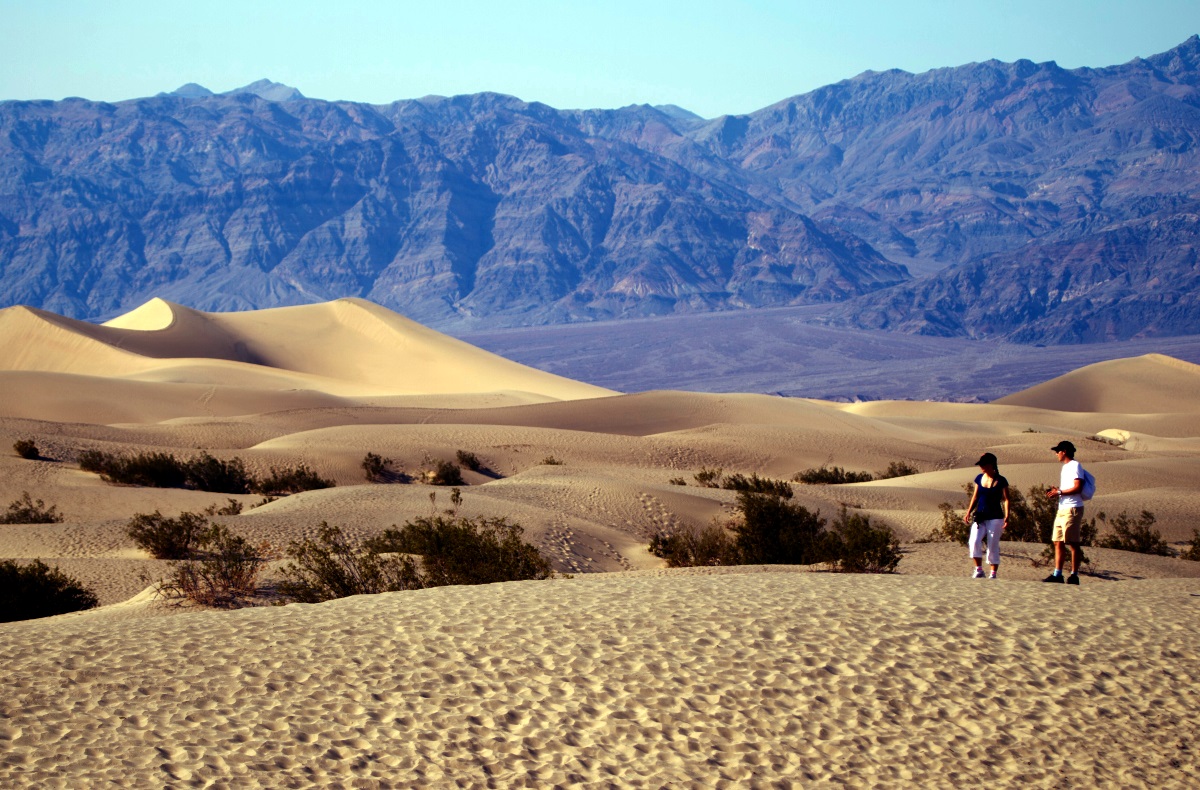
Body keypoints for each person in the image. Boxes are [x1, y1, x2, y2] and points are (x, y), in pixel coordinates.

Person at [1044, 440, 1084, 585]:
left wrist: (1059, 492)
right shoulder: (1065, 468)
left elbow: (1078, 487)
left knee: (1073, 543)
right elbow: (1068, 488)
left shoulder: (1075, 466)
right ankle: (1058, 574)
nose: (1056, 454)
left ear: (1064, 451)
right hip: (1062, 508)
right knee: (1057, 541)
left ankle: (1074, 575)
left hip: (1072, 508)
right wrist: (1057, 491)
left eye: (1058, 451)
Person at [963, 452, 1009, 578]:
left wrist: (1007, 516)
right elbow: (975, 496)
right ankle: (979, 569)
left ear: (991, 464)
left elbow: (1006, 499)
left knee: (993, 544)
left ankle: (993, 573)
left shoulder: (1001, 480)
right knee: (974, 541)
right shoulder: (979, 478)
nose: (981, 467)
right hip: (980, 516)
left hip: (995, 517)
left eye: (984, 464)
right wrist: (968, 512)